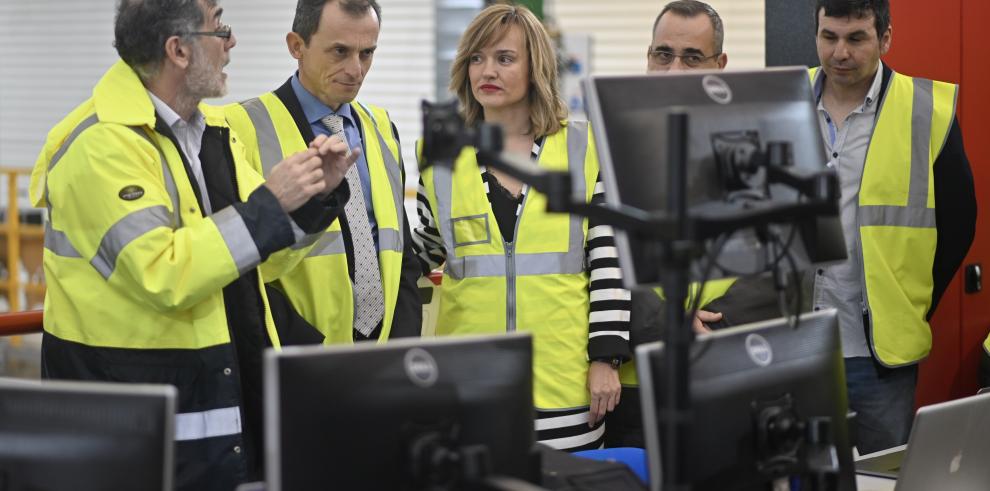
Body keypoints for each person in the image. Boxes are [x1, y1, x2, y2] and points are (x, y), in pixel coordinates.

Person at [29, 0, 357, 488]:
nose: (231, 41)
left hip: (219, 406)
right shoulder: (98, 146)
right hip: (135, 420)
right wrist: (270, 204)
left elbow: (259, 256)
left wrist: (313, 198)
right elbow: (164, 273)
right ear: (179, 50)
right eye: (219, 27)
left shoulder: (213, 134)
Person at [412, 4, 630, 451]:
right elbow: (425, 249)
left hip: (565, 388)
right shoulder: (440, 155)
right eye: (476, 57)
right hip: (468, 389)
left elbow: (609, 263)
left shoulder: (583, 147)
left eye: (504, 58)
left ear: (536, 67)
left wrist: (605, 358)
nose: (486, 70)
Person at [810, 0, 975, 454]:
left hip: (877, 357)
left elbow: (960, 226)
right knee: (794, 476)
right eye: (830, 37)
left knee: (881, 476)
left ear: (885, 38)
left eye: (856, 38)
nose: (840, 52)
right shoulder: (785, 98)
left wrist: (910, 302)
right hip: (794, 345)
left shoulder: (926, 109)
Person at [225, 0, 421, 346]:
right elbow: (239, 265)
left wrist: (400, 344)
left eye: (367, 53)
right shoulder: (239, 128)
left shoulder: (381, 127)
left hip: (383, 349)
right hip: (294, 351)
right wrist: (303, 347)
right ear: (296, 46)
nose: (355, 70)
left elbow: (398, 250)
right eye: (340, 52)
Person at [605, 0, 732, 448]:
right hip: (635, 382)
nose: (674, 69)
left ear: (720, 65)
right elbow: (599, 263)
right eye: (663, 54)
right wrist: (669, 323)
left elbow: (776, 260)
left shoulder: (749, 147)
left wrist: (719, 327)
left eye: (691, 58)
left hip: (723, 372)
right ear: (647, 58)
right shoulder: (608, 150)